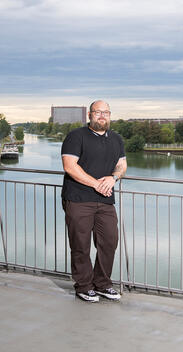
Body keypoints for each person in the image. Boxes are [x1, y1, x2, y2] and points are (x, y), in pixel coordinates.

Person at [61, 100, 127, 303]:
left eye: (106, 112)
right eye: (98, 112)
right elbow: (70, 166)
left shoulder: (116, 139)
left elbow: (122, 165)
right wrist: (96, 184)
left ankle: (103, 284)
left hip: (105, 201)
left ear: (109, 115)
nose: (102, 116)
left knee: (109, 241)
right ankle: (83, 286)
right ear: (89, 115)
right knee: (80, 245)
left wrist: (113, 178)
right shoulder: (76, 136)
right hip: (78, 199)